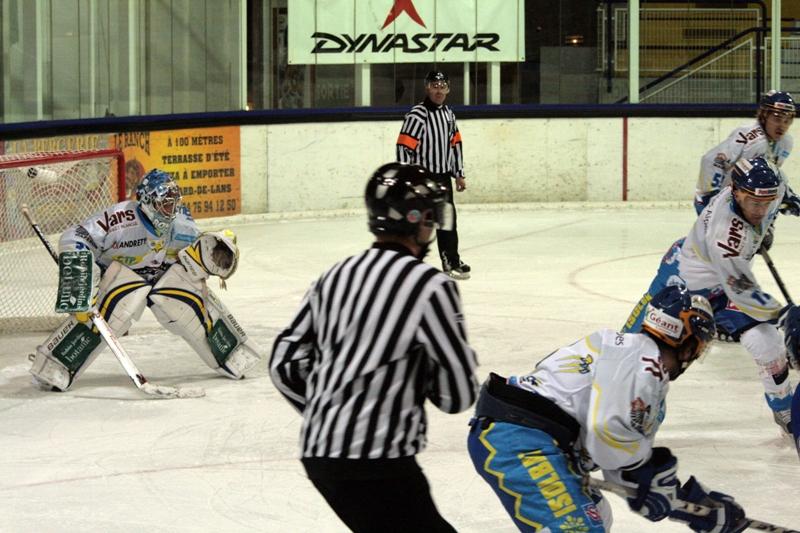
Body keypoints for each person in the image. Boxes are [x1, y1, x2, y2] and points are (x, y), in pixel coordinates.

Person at [270, 162, 479, 533]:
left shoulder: (333, 276)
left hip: (319, 451)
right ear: (416, 220)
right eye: (429, 217)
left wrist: (330, 410)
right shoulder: (429, 285)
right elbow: (457, 395)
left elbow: (284, 363)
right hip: (379, 459)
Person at [467, 285, 748, 533]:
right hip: (520, 441)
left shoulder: (628, 353)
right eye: (699, 346)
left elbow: (617, 462)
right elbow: (609, 441)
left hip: (523, 436)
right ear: (687, 343)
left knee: (598, 515)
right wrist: (668, 493)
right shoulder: (646, 367)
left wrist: (687, 505)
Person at [29, 169, 262, 391]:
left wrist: (212, 253)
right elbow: (74, 238)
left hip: (162, 278)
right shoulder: (120, 219)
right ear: (148, 202)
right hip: (121, 278)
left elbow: (196, 256)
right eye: (165, 204)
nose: (171, 211)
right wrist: (81, 283)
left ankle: (234, 354)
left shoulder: (182, 223)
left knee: (185, 299)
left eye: (174, 203)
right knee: (117, 307)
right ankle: (54, 366)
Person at [624, 157, 800, 436]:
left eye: (766, 203)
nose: (760, 210)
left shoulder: (770, 189)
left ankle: (785, 408)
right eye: (754, 203)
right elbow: (744, 291)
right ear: (736, 192)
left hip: (725, 285)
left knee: (767, 343)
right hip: (684, 284)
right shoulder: (726, 236)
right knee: (637, 353)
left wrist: (782, 211)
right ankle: (631, 412)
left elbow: (781, 193)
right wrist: (786, 316)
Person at [396, 70, 470, 280]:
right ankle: (406, 263)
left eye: (442, 86)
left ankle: (451, 260)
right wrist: (407, 176)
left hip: (443, 177)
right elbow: (403, 147)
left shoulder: (448, 114)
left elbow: (455, 145)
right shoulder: (417, 114)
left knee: (447, 220)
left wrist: (459, 174)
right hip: (422, 179)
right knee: (417, 222)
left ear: (448, 89)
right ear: (427, 88)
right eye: (435, 86)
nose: (439, 91)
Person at [694, 90, 795, 214]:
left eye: (787, 120)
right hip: (717, 200)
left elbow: (770, 173)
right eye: (777, 118)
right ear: (764, 116)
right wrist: (711, 195)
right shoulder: (750, 136)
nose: (782, 126)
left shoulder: (785, 143)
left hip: (743, 202)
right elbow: (713, 160)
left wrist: (786, 195)